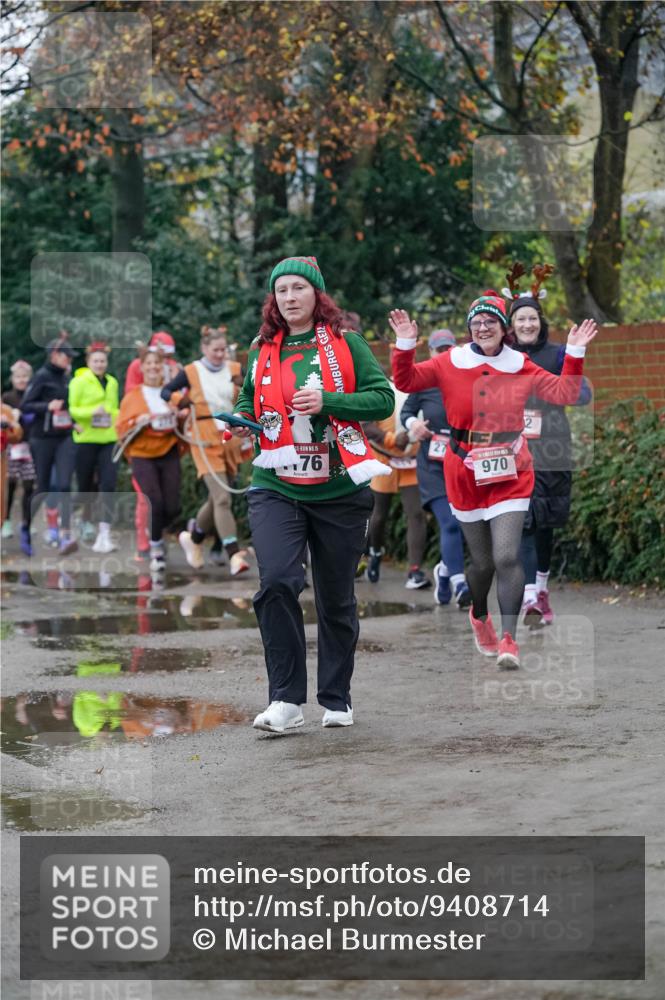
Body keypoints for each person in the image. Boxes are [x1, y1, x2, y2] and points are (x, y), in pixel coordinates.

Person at [390, 291, 597, 669]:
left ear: (504, 329)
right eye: (477, 322)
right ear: (470, 328)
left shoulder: (520, 363)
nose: (483, 327)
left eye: (491, 322)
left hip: (510, 468)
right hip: (464, 467)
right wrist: (405, 343)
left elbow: (565, 392)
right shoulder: (450, 360)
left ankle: (509, 640)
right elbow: (405, 379)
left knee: (507, 556)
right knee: (482, 564)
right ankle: (479, 613)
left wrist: (574, 353)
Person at [230, 255, 393, 733]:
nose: (289, 297)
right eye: (281, 291)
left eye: (298, 288)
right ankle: (285, 700)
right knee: (278, 580)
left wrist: (330, 401)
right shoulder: (262, 347)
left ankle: (336, 697)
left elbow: (382, 399)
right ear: (274, 300)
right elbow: (247, 397)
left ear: (316, 295)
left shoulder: (347, 343)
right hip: (277, 483)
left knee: (335, 598)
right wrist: (243, 423)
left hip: (339, 486)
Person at [505, 266, 593, 627]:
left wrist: (550, 385)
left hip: (553, 446)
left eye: (532, 318)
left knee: (545, 523)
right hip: (513, 449)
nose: (527, 324)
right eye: (520, 319)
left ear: (540, 321)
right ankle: (529, 596)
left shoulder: (559, 354)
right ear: (512, 323)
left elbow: (581, 392)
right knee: (523, 519)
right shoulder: (503, 355)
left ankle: (541, 587)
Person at [161, 324, 251, 576]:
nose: (220, 354)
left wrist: (243, 387)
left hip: (229, 438)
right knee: (223, 497)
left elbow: (252, 392)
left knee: (216, 498)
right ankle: (234, 554)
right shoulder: (191, 371)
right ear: (204, 348)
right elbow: (165, 391)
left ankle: (195, 538)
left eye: (223, 349)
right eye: (215, 350)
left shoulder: (234, 369)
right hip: (202, 437)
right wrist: (181, 401)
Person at [400, 329, 471, 607]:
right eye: (439, 349)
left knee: (466, 525)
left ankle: (444, 570)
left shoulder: (468, 376)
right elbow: (406, 413)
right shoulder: (423, 381)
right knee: (450, 522)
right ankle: (460, 583)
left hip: (463, 461)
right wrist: (413, 425)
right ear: (430, 352)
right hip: (432, 466)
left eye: (448, 348)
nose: (444, 354)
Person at [116, 345, 184, 575]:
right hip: (142, 454)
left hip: (169, 450)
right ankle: (155, 547)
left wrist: (179, 415)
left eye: (158, 363)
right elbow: (121, 429)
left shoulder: (171, 394)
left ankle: (159, 534)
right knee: (153, 499)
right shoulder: (133, 396)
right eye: (149, 363)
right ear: (142, 368)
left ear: (163, 366)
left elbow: (186, 422)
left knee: (172, 505)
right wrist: (138, 421)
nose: (154, 367)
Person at [364, 375, 431, 589]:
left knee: (416, 513)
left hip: (411, 460)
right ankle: (375, 551)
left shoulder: (422, 388)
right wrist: (390, 439)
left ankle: (414, 571)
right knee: (378, 515)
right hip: (384, 458)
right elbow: (365, 425)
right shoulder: (382, 389)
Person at [20, 334, 79, 555]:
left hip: (63, 438)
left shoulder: (65, 377)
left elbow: (65, 406)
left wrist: (72, 422)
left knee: (65, 485)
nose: (70, 361)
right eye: (67, 356)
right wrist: (47, 406)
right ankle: (25, 526)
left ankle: (65, 535)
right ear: (54, 355)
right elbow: (27, 405)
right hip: (41, 439)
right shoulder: (41, 376)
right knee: (43, 489)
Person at [68, 341, 120, 553]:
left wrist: (112, 415)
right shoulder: (79, 381)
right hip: (86, 439)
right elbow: (73, 409)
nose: (99, 364)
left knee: (108, 485)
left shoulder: (113, 382)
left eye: (102, 361)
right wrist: (93, 412)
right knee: (85, 487)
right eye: (95, 361)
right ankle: (81, 519)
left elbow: (115, 408)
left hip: (109, 439)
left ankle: (104, 534)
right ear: (88, 362)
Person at [2, 360, 36, 554]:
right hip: (12, 447)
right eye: (18, 377)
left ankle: (26, 522)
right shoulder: (7, 397)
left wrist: (25, 417)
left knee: (29, 485)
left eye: (25, 377)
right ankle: (6, 519)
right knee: (11, 485)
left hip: (30, 445)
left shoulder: (33, 395)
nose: (22, 380)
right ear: (13, 379)